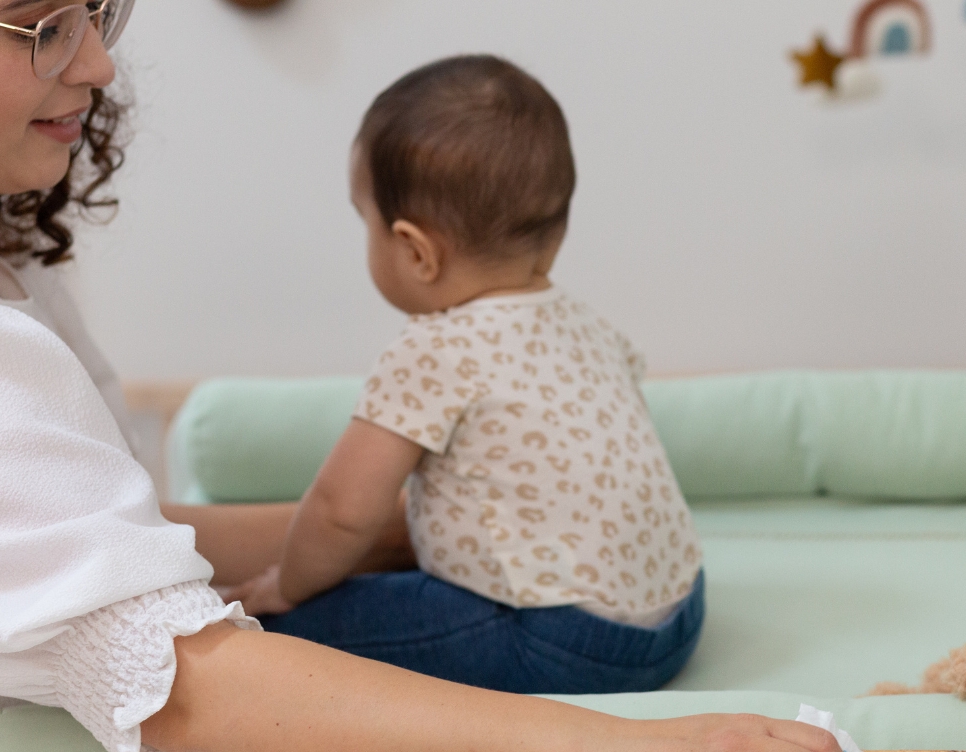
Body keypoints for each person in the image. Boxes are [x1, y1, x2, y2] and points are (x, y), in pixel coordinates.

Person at [0, 0, 848, 752]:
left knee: (318, 599)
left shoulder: (6, 259)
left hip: (548, 626)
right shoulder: (575, 323)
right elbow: (186, 690)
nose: (99, 63)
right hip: (663, 615)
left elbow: (130, 535)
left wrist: (362, 551)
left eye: (99, 12)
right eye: (44, 26)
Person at [230, 57, 705, 695]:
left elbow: (343, 512)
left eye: (364, 221)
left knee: (290, 629)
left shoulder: (434, 347)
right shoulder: (584, 321)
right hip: (677, 615)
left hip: (558, 642)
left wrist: (286, 586)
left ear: (416, 251)